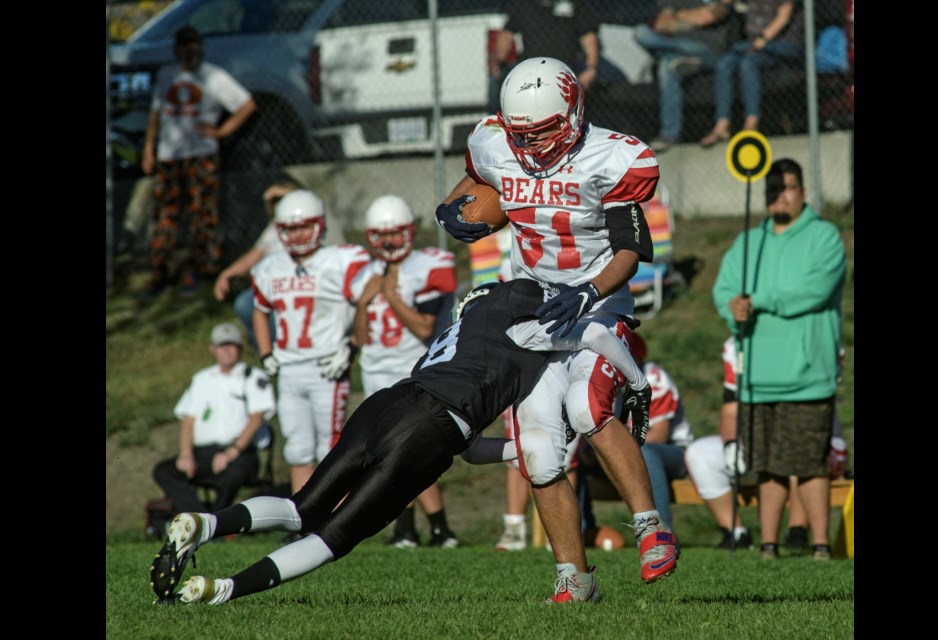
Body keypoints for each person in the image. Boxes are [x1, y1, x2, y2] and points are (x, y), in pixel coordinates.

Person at [151, 278, 646, 605]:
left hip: (388, 403)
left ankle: (206, 522)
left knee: (303, 506)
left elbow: (472, 450)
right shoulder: (520, 320)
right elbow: (600, 339)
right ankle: (223, 589)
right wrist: (639, 384)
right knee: (332, 537)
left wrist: (519, 451)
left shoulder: (455, 334)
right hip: (430, 428)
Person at [436, 57, 678, 600]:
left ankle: (650, 528)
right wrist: (451, 210)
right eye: (522, 133)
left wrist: (590, 291)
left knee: (586, 409)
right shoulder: (494, 142)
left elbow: (631, 250)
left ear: (572, 112)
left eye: (542, 132)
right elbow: (478, 177)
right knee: (539, 449)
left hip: (596, 303)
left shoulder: (614, 157)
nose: (531, 145)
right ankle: (574, 576)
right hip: (532, 306)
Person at [711, 157, 846, 560]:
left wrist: (760, 301)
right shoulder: (747, 243)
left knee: (808, 464)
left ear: (803, 192)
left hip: (807, 374)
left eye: (786, 187)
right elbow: (724, 291)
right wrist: (732, 306)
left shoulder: (825, 238)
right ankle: (768, 546)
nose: (778, 196)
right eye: (771, 190)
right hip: (758, 375)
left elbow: (815, 290)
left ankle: (820, 546)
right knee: (766, 466)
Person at [350, 195, 460, 549]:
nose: (388, 243)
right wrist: (366, 302)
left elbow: (425, 328)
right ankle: (410, 531)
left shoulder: (429, 265)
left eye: (395, 234)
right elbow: (360, 337)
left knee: (413, 452)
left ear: (409, 232)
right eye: (381, 235)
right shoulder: (363, 274)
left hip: (415, 369)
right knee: (390, 455)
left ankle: (436, 529)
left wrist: (389, 294)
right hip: (376, 372)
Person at [250, 189, 369, 494]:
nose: (298, 235)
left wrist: (351, 346)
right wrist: (265, 353)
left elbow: (366, 303)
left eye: (304, 226)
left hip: (325, 367)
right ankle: (303, 519)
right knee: (297, 447)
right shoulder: (270, 267)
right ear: (279, 230)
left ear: (320, 225)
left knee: (329, 447)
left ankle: (332, 521)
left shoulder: (341, 259)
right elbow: (259, 312)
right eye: (290, 228)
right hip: (289, 369)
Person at [685, 337, 849, 550]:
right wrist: (731, 445)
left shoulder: (814, 334)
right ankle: (737, 533)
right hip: (761, 435)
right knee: (700, 454)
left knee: (797, 449)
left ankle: (798, 530)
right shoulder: (738, 345)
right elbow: (731, 410)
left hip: (814, 434)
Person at [140, 26, 257, 299]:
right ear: (176, 49)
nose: (188, 50)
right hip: (169, 157)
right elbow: (155, 114)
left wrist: (222, 131)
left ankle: (198, 270)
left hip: (201, 155)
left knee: (201, 216)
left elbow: (247, 105)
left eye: (193, 44)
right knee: (165, 218)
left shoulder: (213, 76)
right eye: (182, 45)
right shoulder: (166, 75)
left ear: (200, 47)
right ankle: (159, 273)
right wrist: (149, 149)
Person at [152, 322, 276, 514]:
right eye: (221, 346)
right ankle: (200, 517)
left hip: (240, 453)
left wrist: (231, 452)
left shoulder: (252, 376)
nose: (226, 351)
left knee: (234, 475)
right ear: (213, 349)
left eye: (231, 345)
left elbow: (256, 418)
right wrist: (186, 454)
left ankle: (217, 521)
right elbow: (188, 420)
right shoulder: (201, 379)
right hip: (203, 454)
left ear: (240, 349)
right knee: (164, 471)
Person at [578, 333, 693, 532]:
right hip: (622, 450)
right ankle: (582, 530)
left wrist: (616, 450)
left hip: (671, 451)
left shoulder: (653, 378)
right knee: (572, 457)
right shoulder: (602, 380)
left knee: (645, 453)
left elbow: (658, 435)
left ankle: (660, 530)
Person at [633, 0, 735, 152]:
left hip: (707, 50)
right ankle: (669, 134)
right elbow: (661, 26)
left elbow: (707, 17)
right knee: (642, 34)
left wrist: (677, 17)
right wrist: (690, 18)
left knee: (674, 54)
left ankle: (687, 59)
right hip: (676, 49)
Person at [699, 0, 804, 147]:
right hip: (753, 44)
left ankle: (751, 123)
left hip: (782, 43)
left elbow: (783, 17)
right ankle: (722, 125)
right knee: (725, 63)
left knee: (747, 63)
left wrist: (763, 39)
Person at [213, 178, 300, 347]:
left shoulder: (305, 223)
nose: (276, 205)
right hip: (271, 284)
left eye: (281, 200)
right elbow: (251, 258)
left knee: (277, 311)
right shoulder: (272, 229)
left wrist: (283, 193)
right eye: (273, 202)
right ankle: (265, 351)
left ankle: (283, 348)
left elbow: (303, 199)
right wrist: (226, 274)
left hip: (294, 283)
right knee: (245, 304)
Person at [489, 0, 601, 113]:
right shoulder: (523, 4)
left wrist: (591, 68)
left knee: (565, 111)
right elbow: (507, 34)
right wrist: (498, 61)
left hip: (564, 74)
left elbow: (588, 37)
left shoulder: (575, 4)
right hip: (530, 73)